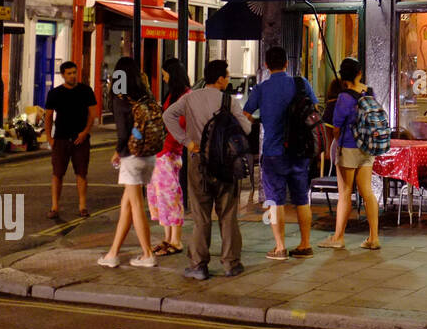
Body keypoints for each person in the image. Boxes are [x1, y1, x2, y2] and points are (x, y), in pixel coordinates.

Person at [163, 60, 252, 280]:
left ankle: (198, 265)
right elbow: (247, 128)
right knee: (228, 213)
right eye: (227, 76)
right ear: (220, 79)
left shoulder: (190, 97)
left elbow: (168, 116)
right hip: (225, 164)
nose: (228, 79)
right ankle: (231, 263)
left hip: (198, 161)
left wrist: (186, 141)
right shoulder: (228, 100)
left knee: (201, 214)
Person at [244, 46, 318, 261]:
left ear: (266, 65)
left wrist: (263, 120)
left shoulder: (261, 89)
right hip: (300, 151)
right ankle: (305, 244)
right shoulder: (301, 83)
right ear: (287, 63)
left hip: (273, 152)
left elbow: (246, 114)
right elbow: (313, 109)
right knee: (302, 200)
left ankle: (280, 247)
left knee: (275, 201)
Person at [98, 62, 158, 267]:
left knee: (136, 206)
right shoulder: (145, 95)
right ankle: (112, 254)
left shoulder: (120, 99)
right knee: (126, 206)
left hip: (132, 156)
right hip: (149, 155)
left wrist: (117, 151)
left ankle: (147, 254)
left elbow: (123, 133)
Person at [318, 58, 381, 251]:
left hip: (348, 148)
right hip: (367, 147)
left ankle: (338, 237)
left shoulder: (344, 97)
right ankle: (373, 237)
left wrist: (338, 144)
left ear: (342, 76)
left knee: (345, 192)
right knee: (367, 192)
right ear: (360, 73)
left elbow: (336, 128)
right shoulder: (369, 92)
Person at [43, 61, 98, 219]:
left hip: (80, 139)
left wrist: (85, 132)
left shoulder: (86, 91)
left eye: (74, 72)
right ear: (63, 75)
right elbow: (48, 116)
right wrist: (49, 138)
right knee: (57, 174)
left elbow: (92, 114)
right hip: (60, 138)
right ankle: (54, 207)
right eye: (69, 73)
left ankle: (82, 206)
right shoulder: (54, 93)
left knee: (81, 173)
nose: (73, 76)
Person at [148, 58, 189, 255]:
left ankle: (176, 241)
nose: (163, 78)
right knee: (160, 196)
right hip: (162, 151)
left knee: (171, 196)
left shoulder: (184, 96)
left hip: (170, 152)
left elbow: (181, 124)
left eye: (164, 74)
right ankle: (167, 238)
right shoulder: (173, 95)